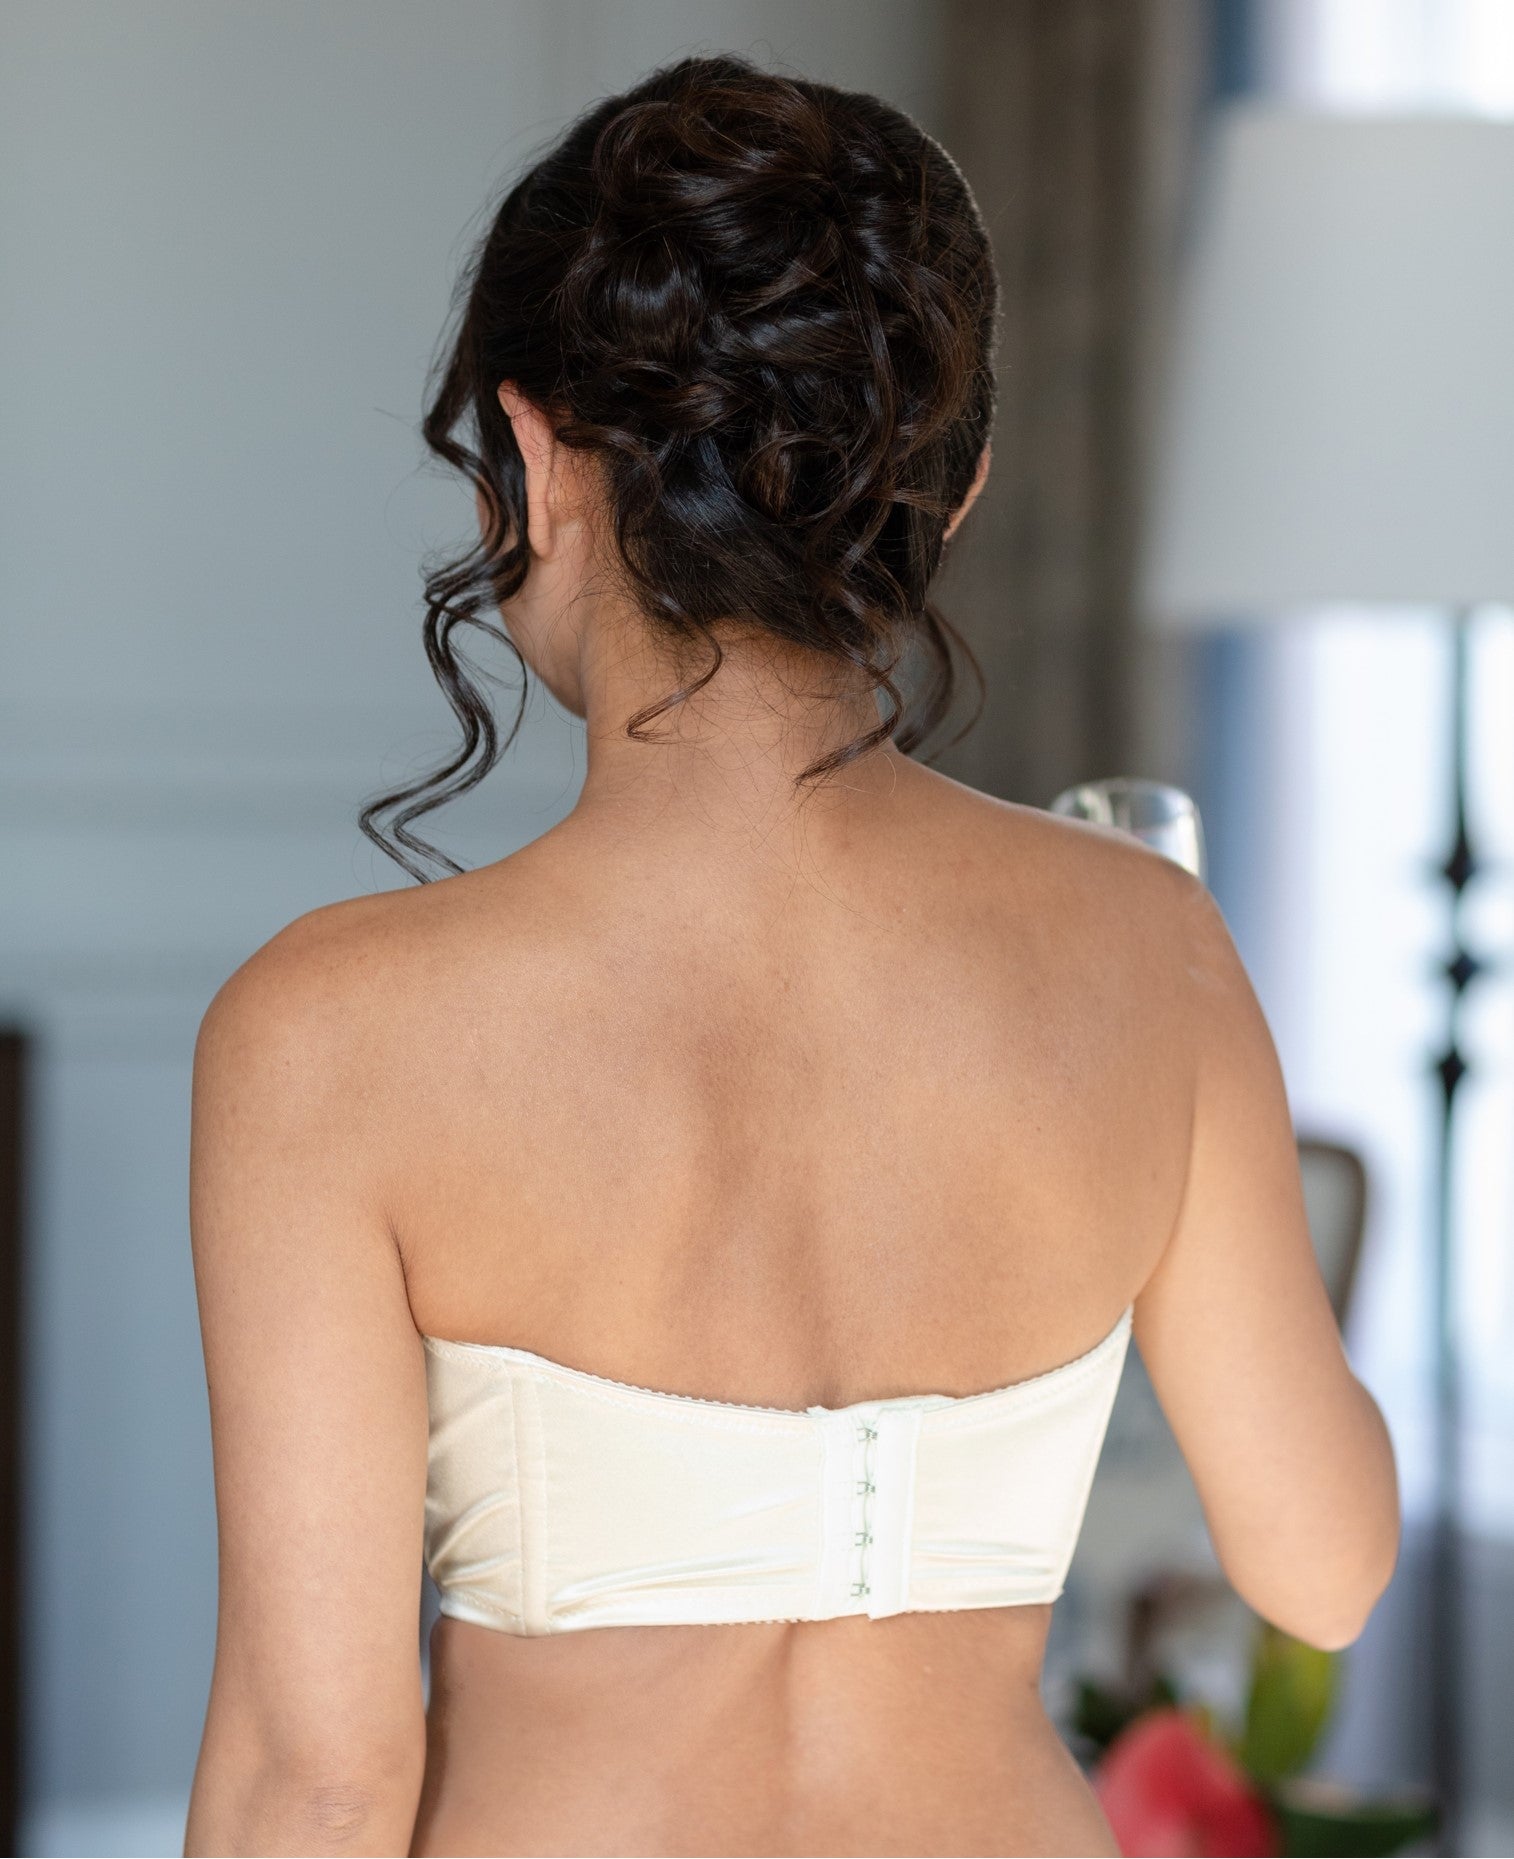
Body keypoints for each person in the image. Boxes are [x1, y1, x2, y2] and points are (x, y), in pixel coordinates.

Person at [182, 53, 1400, 1858]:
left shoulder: (328, 1034)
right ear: (954, 484)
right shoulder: (1152, 946)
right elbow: (1326, 1564)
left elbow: (322, 1774)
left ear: (530, 454)